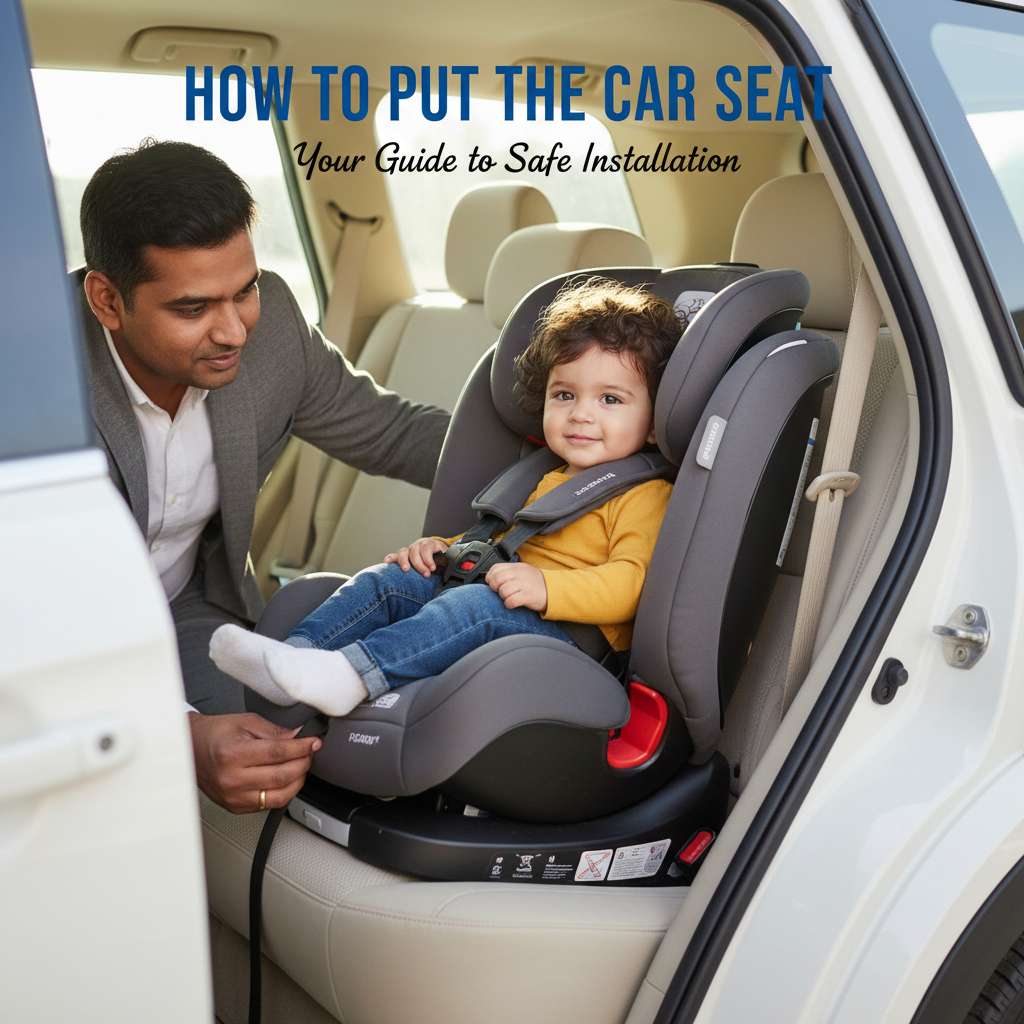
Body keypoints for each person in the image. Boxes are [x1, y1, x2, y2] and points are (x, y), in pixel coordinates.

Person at [77, 139, 450, 813]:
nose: (233, 332)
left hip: (192, 608)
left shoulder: (271, 326)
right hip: (52, 634)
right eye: (192, 308)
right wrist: (181, 735)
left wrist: (569, 456)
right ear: (107, 300)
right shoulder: (30, 370)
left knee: (285, 765)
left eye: (243, 290)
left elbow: (393, 433)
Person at [210, 278, 680, 717]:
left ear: (656, 423)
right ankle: (293, 658)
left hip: (568, 637)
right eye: (564, 395)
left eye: (610, 400)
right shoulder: (542, 476)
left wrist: (547, 589)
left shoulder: (644, 495)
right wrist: (447, 551)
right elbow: (504, 542)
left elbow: (632, 583)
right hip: (502, 598)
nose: (580, 414)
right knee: (389, 580)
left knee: (471, 607)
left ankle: (353, 675)